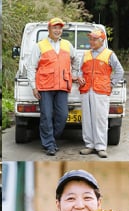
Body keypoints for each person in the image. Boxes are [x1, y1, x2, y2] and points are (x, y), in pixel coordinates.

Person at [27, 17, 80, 156]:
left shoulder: (67, 45)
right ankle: (49, 144)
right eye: (55, 28)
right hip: (45, 87)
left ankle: (51, 138)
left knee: (63, 115)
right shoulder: (40, 45)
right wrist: (33, 86)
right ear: (49, 29)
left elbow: (76, 60)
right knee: (46, 116)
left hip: (62, 86)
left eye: (60, 28)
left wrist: (73, 74)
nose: (57, 30)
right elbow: (31, 67)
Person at [78, 28, 124, 158]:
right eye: (90, 39)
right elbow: (80, 70)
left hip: (101, 91)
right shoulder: (86, 54)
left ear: (101, 40)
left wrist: (111, 84)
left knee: (100, 119)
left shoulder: (109, 54)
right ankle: (89, 145)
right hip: (86, 89)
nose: (91, 41)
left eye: (94, 39)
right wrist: (80, 77)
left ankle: (101, 147)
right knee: (87, 119)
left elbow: (119, 71)